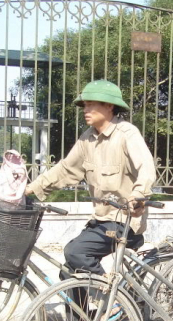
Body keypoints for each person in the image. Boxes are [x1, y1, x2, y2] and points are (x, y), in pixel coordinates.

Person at [25, 79, 157, 280]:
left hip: (124, 220)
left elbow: (146, 168)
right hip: (102, 221)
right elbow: (65, 169)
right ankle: (82, 313)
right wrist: (29, 189)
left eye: (91, 104)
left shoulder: (126, 134)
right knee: (69, 270)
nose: (85, 109)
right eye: (84, 105)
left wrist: (138, 195)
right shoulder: (87, 138)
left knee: (76, 252)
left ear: (109, 106)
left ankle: (110, 298)